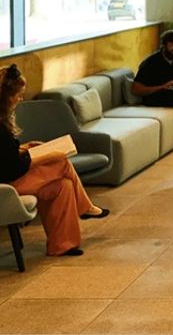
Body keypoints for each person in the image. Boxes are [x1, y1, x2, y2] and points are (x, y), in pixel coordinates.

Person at [0, 64, 109, 258]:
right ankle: (85, 207)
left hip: (11, 177)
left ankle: (62, 246)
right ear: (6, 97)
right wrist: (45, 156)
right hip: (6, 186)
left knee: (63, 185)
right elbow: (12, 168)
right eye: (18, 95)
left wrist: (25, 147)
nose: (20, 99)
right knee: (60, 161)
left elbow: (4, 154)